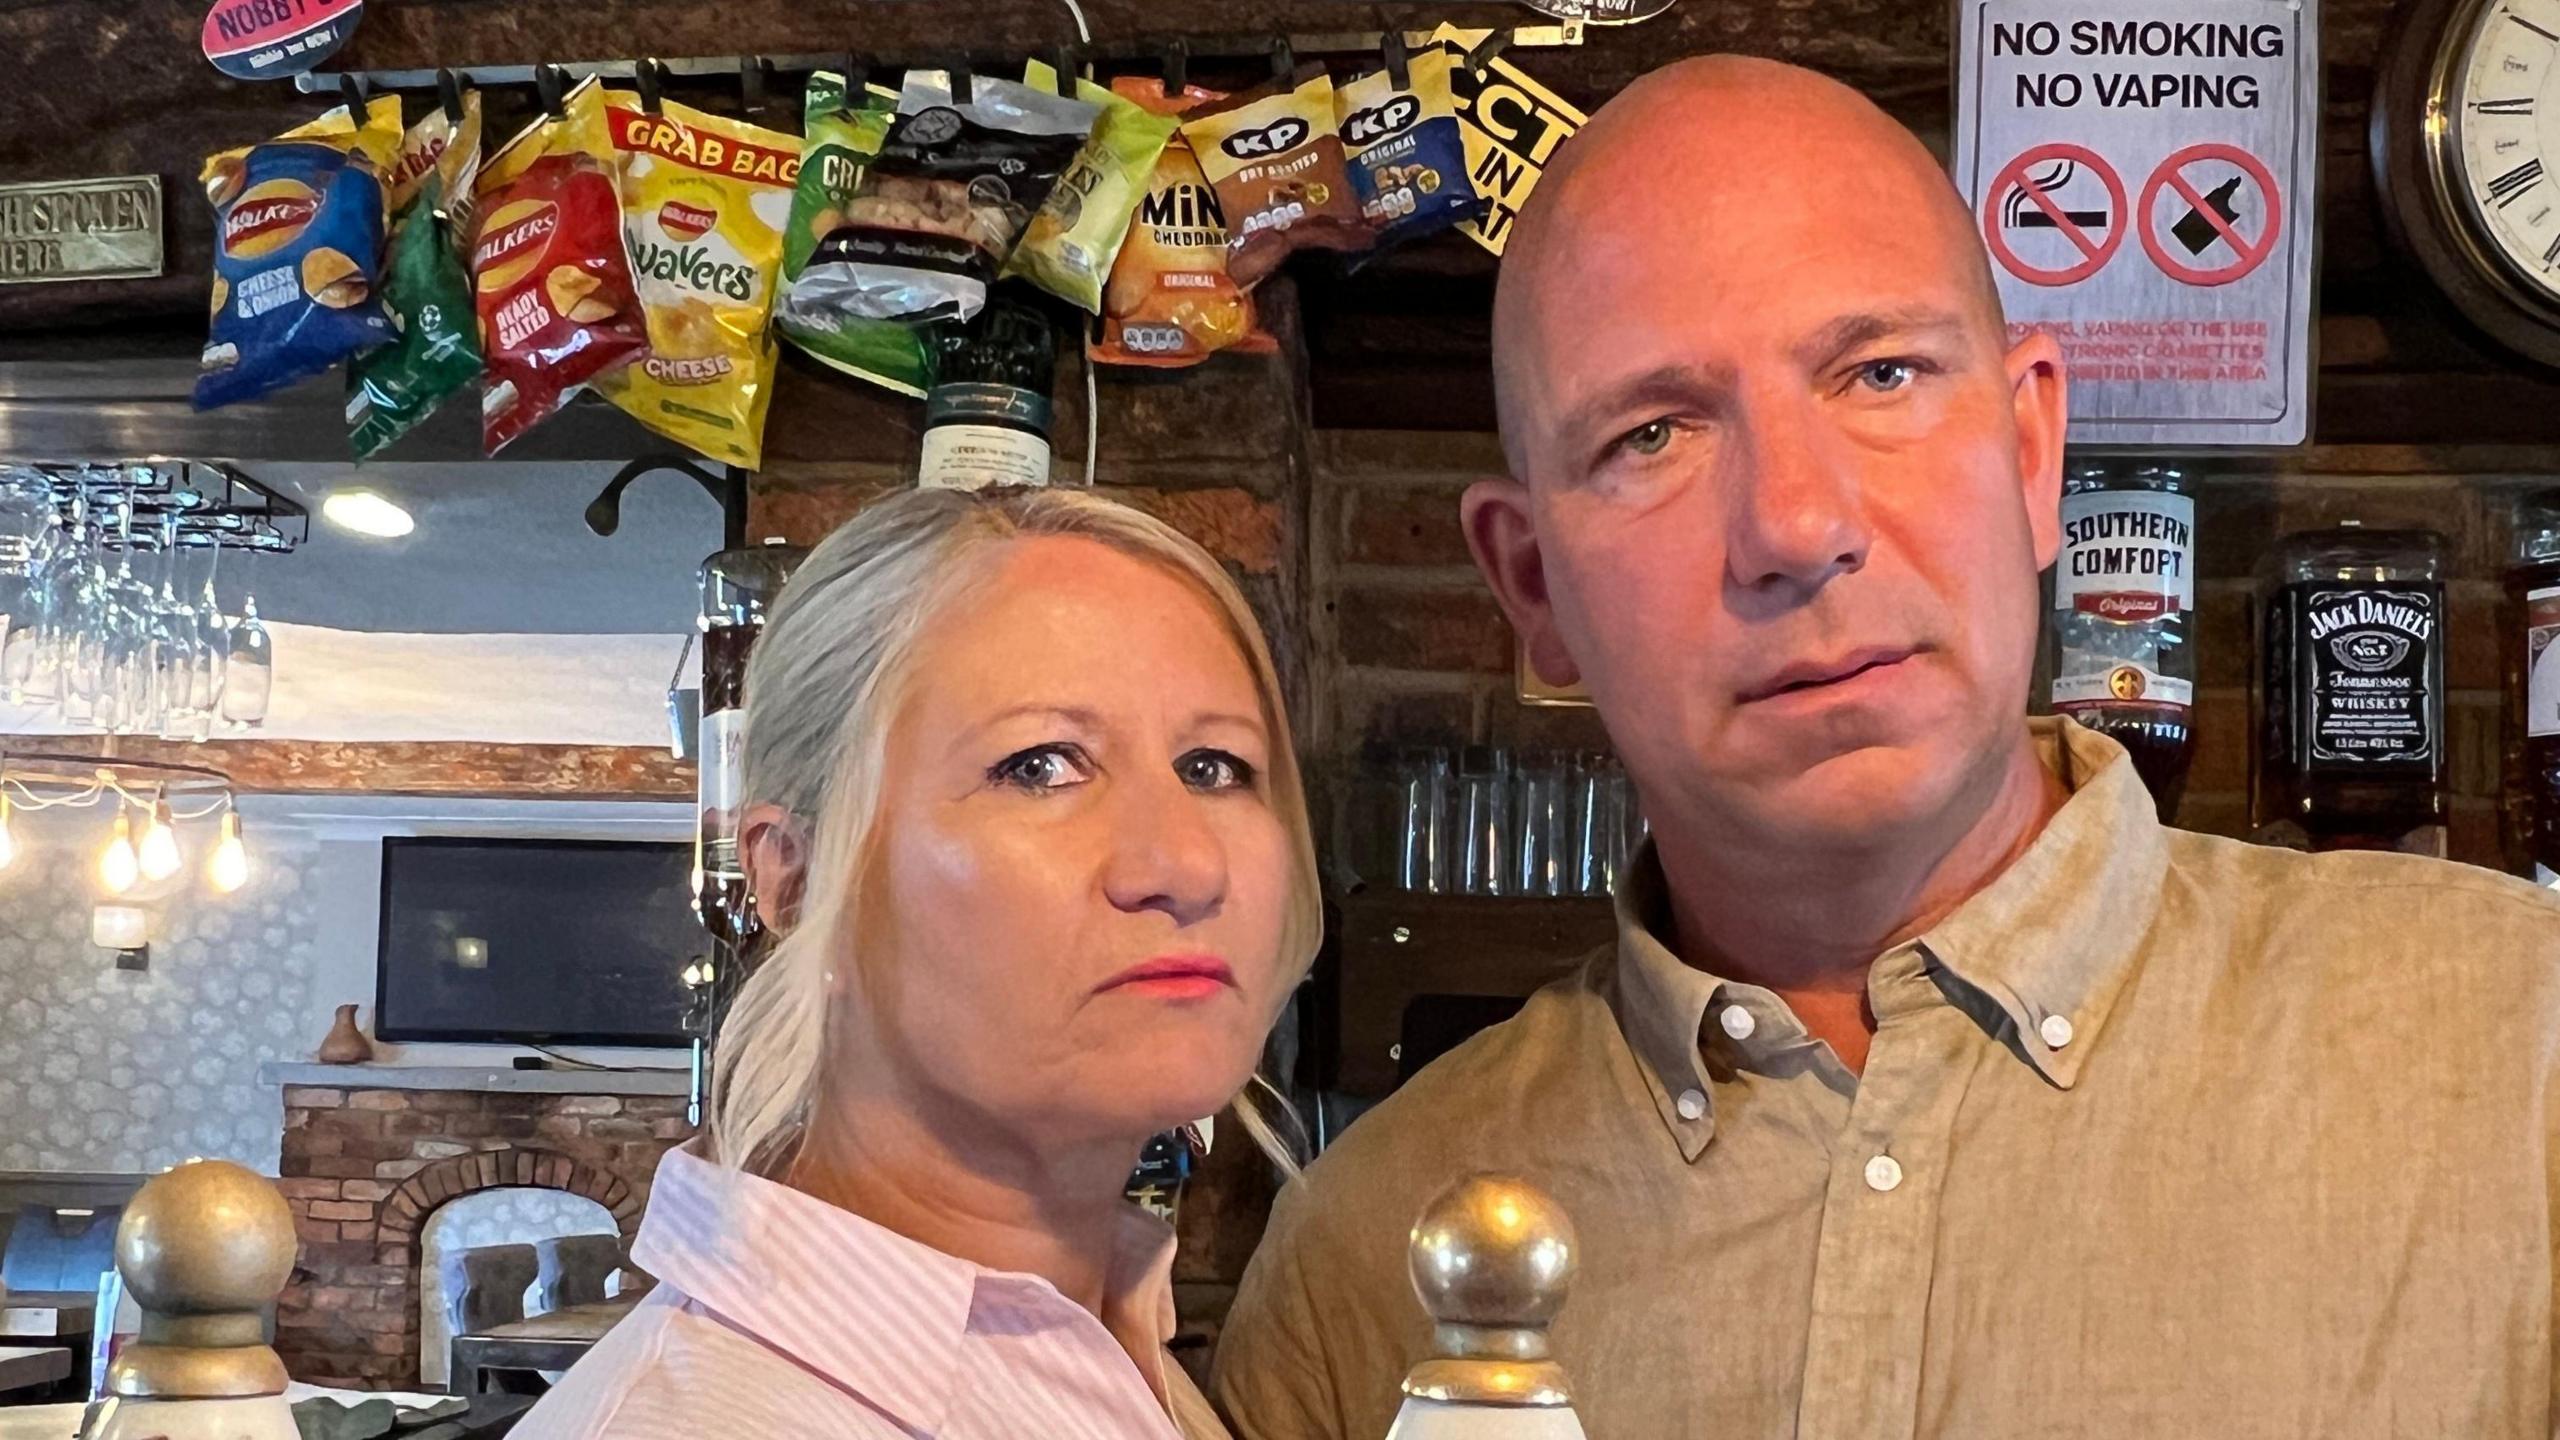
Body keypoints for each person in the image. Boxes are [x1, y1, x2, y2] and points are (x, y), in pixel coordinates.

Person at [1212, 54, 2560, 1440]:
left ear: (2033, 454)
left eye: (1882, 371)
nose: (1796, 525)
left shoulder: (2522, 1053)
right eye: (1654, 433)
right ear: (1537, 590)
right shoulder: (1363, 1268)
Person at [524, 488, 1320, 1439]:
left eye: (1214, 767)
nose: (1186, 865)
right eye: (1040, 765)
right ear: (799, 880)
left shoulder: (1103, 1335)